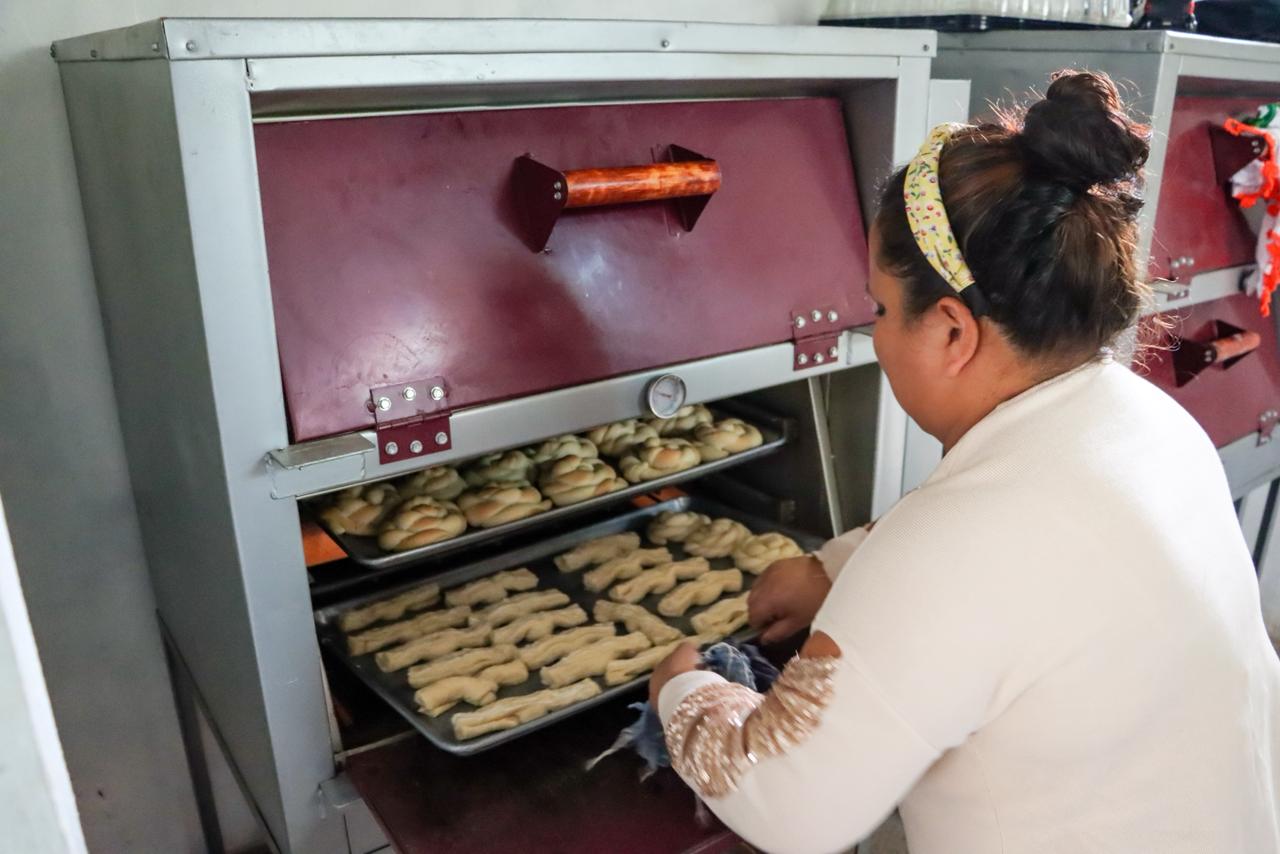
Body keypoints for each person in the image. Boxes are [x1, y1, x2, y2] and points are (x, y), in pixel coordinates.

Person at [649, 70, 1280, 854]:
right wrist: (833, 569)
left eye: (881, 309)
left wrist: (683, 688)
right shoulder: (1148, 422)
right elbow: (1015, 564)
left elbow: (788, 807)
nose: (875, 333)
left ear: (952, 330)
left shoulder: (960, 545)